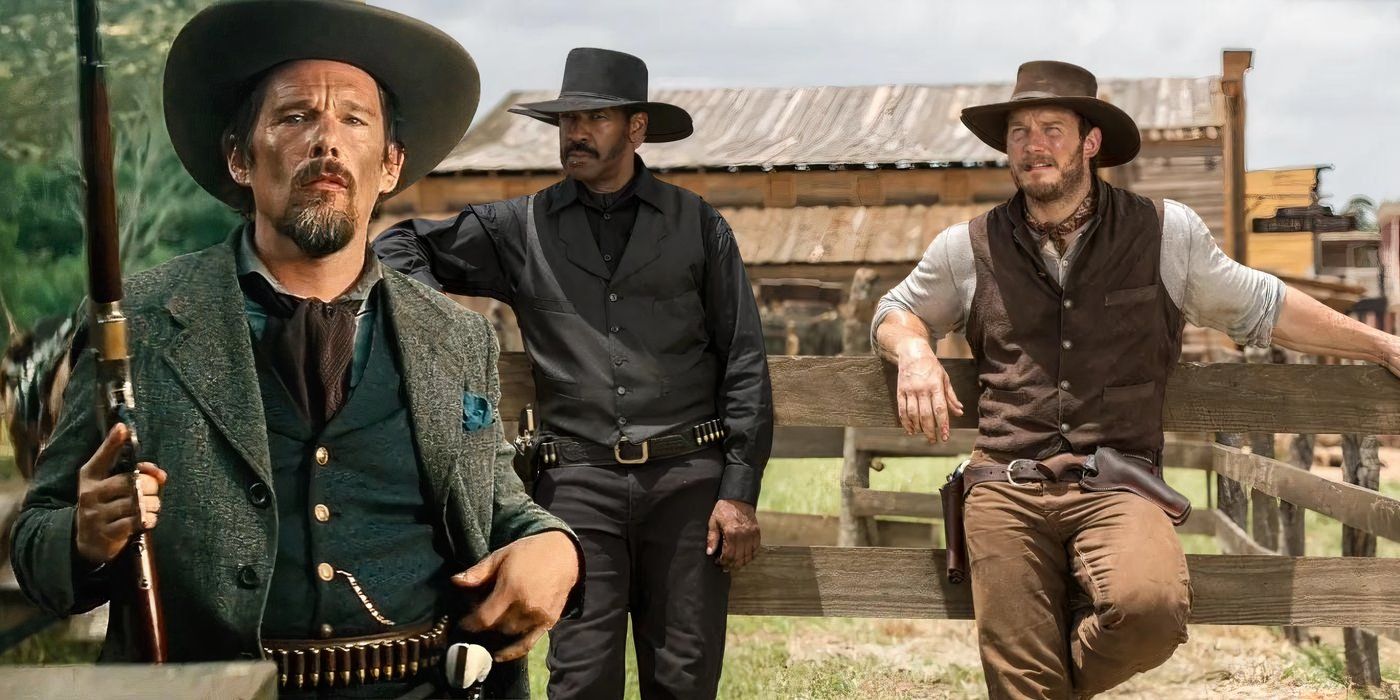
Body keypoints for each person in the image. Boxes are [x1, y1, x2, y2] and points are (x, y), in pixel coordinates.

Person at [10, 2, 581, 697]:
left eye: (354, 119)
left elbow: (498, 507)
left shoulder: (455, 335)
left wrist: (557, 546)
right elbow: (35, 542)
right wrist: (81, 536)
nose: (326, 141)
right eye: (294, 117)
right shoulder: (146, 322)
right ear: (238, 158)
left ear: (391, 163)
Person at [872, 60, 1400, 698]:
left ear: (1090, 142)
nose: (1033, 144)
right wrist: (916, 353)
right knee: (1020, 674)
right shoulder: (967, 246)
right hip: (1005, 486)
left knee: (1151, 612)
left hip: (1118, 479)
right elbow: (895, 310)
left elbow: (1263, 306)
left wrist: (1377, 343)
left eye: (1051, 129)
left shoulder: (1164, 233)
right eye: (1019, 132)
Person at [374, 47, 773, 700]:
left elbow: (745, 362)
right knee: (580, 681)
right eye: (566, 121)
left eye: (595, 119)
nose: (575, 134)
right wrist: (442, 326)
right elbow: (398, 246)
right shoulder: (520, 227)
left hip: (688, 486)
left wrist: (738, 488)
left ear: (636, 129)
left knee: (685, 679)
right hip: (576, 487)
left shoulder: (698, 225)